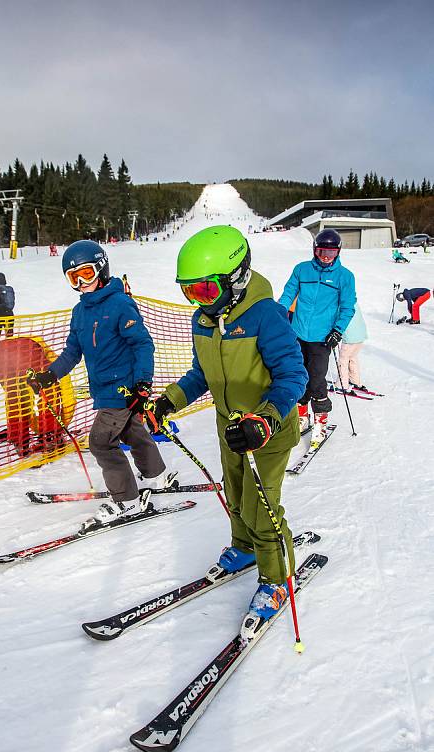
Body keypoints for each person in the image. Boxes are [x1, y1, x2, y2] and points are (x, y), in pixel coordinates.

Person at [145, 225, 308, 622]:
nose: (199, 302)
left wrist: (266, 420)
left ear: (236, 277)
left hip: (267, 430)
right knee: (234, 495)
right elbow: (201, 373)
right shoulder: (203, 321)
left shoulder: (265, 316)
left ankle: (275, 579)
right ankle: (245, 547)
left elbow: (294, 375)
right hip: (230, 428)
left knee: (260, 506)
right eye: (190, 292)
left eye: (205, 291)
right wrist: (170, 401)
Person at [25, 240, 168, 522]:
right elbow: (72, 352)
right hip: (104, 390)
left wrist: (143, 384)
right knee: (131, 432)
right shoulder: (80, 312)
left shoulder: (120, 304)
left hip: (124, 389)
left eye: (86, 274)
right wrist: (49, 375)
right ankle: (157, 477)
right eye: (73, 277)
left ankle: (128, 501)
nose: (81, 282)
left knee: (101, 443)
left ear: (101, 270)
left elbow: (142, 345)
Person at [278, 229, 356, 445]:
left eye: (331, 253)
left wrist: (338, 330)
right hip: (298, 333)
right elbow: (288, 294)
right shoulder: (302, 270)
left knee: (316, 379)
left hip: (323, 338)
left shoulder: (345, 277)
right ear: (315, 250)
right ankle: (302, 417)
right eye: (322, 251)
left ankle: (320, 421)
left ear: (338, 252)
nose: (325, 257)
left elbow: (347, 307)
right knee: (297, 376)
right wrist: (278, 316)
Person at [338, 302, 367, 392]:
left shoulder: (340, 304)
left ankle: (342, 385)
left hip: (350, 338)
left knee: (343, 360)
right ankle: (355, 381)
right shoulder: (352, 301)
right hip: (361, 335)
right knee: (352, 357)